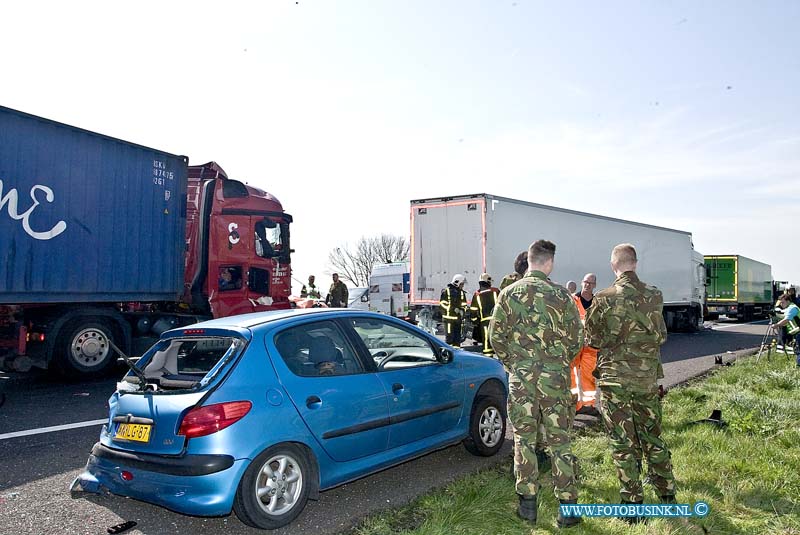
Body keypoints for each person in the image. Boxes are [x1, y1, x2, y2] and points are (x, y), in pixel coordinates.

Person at [489, 240, 583, 528]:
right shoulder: (563, 296)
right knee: (560, 440)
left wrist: (514, 365)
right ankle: (567, 508)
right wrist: (558, 363)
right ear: (549, 263)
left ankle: (527, 506)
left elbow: (496, 337)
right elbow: (577, 339)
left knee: (524, 440)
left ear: (529, 261)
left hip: (522, 380)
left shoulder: (507, 293)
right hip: (554, 379)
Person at [585, 244, 677, 523]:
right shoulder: (654, 295)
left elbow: (593, 340)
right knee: (652, 436)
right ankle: (667, 496)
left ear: (614, 265)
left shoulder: (603, 298)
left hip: (615, 381)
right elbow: (661, 335)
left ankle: (632, 505)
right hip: (646, 379)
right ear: (635, 264)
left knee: (623, 442)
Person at [570, 273, 599, 416]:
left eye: (590, 283)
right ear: (581, 283)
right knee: (573, 374)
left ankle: (589, 404)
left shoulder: (597, 303)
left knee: (589, 374)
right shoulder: (573, 300)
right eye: (585, 282)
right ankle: (575, 405)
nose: (587, 285)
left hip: (591, 346)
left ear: (594, 285)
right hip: (575, 344)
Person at [470, 273, 499, 355]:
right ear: (488, 282)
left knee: (487, 345)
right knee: (499, 341)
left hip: (485, 323)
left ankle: (489, 361)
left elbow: (473, 310)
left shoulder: (477, 295)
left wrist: (475, 321)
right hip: (496, 320)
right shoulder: (496, 291)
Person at [440, 274, 468, 345]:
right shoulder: (446, 291)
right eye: (462, 284)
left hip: (458, 320)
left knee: (457, 339)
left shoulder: (462, 293)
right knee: (449, 339)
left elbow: (464, 304)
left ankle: (456, 354)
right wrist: (453, 309)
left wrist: (462, 310)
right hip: (448, 320)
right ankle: (449, 354)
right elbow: (442, 304)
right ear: (457, 282)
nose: (463, 286)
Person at [773, 293, 800, 364]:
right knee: (797, 350)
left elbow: (786, 319)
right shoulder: (789, 308)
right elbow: (782, 315)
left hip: (799, 332)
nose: (781, 304)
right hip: (797, 332)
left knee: (799, 351)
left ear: (788, 301)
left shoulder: (792, 308)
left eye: (783, 302)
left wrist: (776, 325)